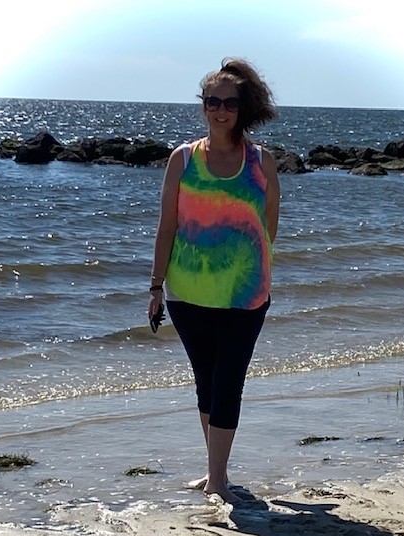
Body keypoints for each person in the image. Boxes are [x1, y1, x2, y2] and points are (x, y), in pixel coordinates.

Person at [148, 58, 279, 504]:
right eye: (212, 102)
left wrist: (250, 272)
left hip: (245, 296)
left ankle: (218, 479)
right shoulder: (182, 159)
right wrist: (154, 286)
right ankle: (214, 472)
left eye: (229, 102)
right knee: (206, 381)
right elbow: (167, 226)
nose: (220, 110)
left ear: (244, 108)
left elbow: (268, 228)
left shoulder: (262, 162)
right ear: (203, 106)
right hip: (187, 293)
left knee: (228, 382)